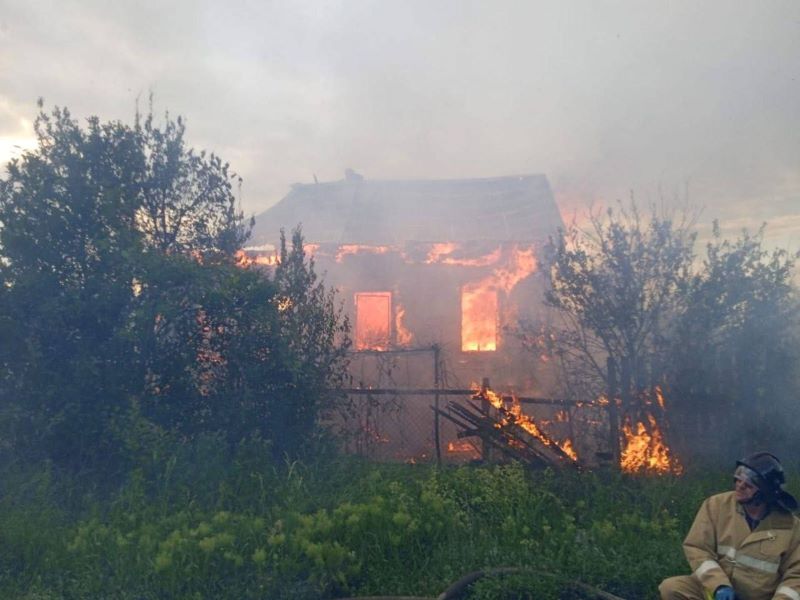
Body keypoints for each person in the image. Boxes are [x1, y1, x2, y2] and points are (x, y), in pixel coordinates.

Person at [660, 452, 800, 600]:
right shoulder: (717, 505)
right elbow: (698, 548)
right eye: (738, 480)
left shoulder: (790, 527)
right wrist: (718, 585)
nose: (740, 486)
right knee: (671, 588)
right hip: (716, 591)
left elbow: (796, 575)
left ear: (765, 493)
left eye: (748, 485)